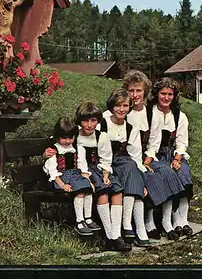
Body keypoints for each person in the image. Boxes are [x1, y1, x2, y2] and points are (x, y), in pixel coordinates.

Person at [117, 70, 185, 241]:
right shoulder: (122, 111)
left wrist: (147, 161)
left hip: (146, 157)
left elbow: (153, 143)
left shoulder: (150, 113)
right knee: (149, 178)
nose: (134, 95)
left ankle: (167, 222)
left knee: (167, 173)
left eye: (138, 91)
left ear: (145, 92)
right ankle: (148, 223)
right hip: (125, 158)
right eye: (131, 91)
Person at [75, 102, 131, 252]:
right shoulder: (74, 135)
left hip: (97, 168)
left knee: (117, 191)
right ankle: (110, 236)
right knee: (103, 191)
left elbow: (106, 158)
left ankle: (116, 235)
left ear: (98, 121)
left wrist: (106, 173)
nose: (89, 125)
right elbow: (57, 141)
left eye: (93, 121)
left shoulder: (101, 136)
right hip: (81, 171)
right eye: (85, 121)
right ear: (79, 121)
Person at [100, 88, 151, 247]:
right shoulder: (102, 121)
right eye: (118, 105)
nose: (122, 109)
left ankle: (133, 226)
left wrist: (142, 179)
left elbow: (136, 156)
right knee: (131, 168)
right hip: (103, 163)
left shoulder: (131, 128)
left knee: (133, 167)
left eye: (126, 106)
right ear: (111, 106)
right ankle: (133, 227)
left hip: (121, 162)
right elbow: (82, 133)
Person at [148, 77, 194, 238]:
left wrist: (177, 158)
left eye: (170, 94)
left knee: (184, 173)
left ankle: (182, 219)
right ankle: (166, 220)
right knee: (166, 176)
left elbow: (182, 142)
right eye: (163, 93)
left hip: (171, 153)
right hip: (153, 154)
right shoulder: (150, 112)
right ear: (156, 94)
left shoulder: (179, 116)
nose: (166, 97)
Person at [42, 116, 98, 236]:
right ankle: (79, 221)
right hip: (62, 177)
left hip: (75, 174)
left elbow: (82, 166)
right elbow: (52, 171)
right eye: (64, 138)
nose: (67, 141)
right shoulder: (54, 150)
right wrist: (62, 185)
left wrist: (88, 180)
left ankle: (88, 217)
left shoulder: (77, 148)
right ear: (57, 136)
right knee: (80, 191)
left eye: (70, 138)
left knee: (88, 189)